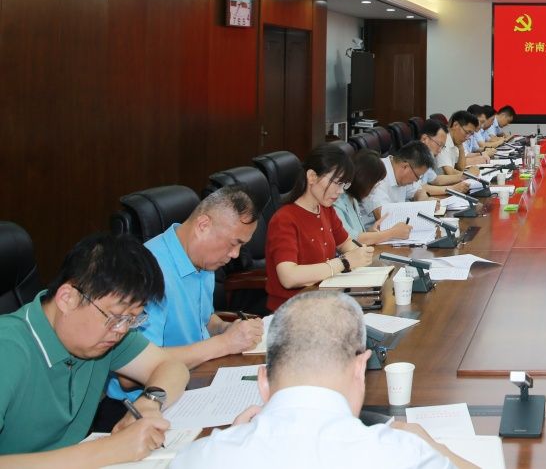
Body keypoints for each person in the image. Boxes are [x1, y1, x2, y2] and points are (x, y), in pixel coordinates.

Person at [171, 291, 470, 468]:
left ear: (263, 380)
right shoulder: (406, 455)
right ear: (360, 369)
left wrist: (229, 440)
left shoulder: (198, 458)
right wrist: (436, 449)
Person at [0, 233, 189, 467]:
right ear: (67, 298)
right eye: (116, 317)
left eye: (132, 319)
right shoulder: (7, 349)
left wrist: (149, 402)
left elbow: (171, 367)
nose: (121, 330)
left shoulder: (103, 337)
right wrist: (109, 449)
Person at [99, 187, 265, 430]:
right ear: (203, 225)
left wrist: (224, 328)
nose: (235, 254)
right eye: (233, 243)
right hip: (140, 405)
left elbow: (203, 318)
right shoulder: (148, 271)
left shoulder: (203, 260)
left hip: (194, 383)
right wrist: (224, 344)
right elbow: (128, 377)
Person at [266, 144, 375, 311]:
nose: (340, 191)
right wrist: (344, 262)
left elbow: (346, 244)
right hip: (292, 310)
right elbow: (289, 277)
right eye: (336, 183)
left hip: (324, 300)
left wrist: (361, 254)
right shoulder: (284, 219)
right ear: (312, 176)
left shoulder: (325, 209)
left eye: (344, 185)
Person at [332, 149, 413, 244]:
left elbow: (359, 233)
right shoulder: (337, 201)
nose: (375, 187)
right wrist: (392, 233)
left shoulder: (353, 199)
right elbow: (349, 239)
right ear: (364, 179)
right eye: (375, 182)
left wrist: (371, 231)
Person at [362, 141, 437, 222]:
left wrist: (425, 201)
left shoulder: (401, 172)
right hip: (374, 228)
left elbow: (418, 191)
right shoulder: (377, 173)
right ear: (405, 167)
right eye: (417, 176)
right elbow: (384, 218)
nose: (416, 181)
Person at [414, 121, 471, 198]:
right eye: (439, 144)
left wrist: (463, 176)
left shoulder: (426, 156)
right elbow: (419, 188)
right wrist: (453, 189)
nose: (440, 150)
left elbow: (435, 179)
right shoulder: (413, 157)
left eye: (442, 147)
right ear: (425, 139)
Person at [436, 111, 476, 176]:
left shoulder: (455, 141)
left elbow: (461, 167)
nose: (468, 137)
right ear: (455, 125)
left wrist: (461, 147)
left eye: (471, 134)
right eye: (467, 132)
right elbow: (450, 172)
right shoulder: (444, 139)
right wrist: (470, 174)